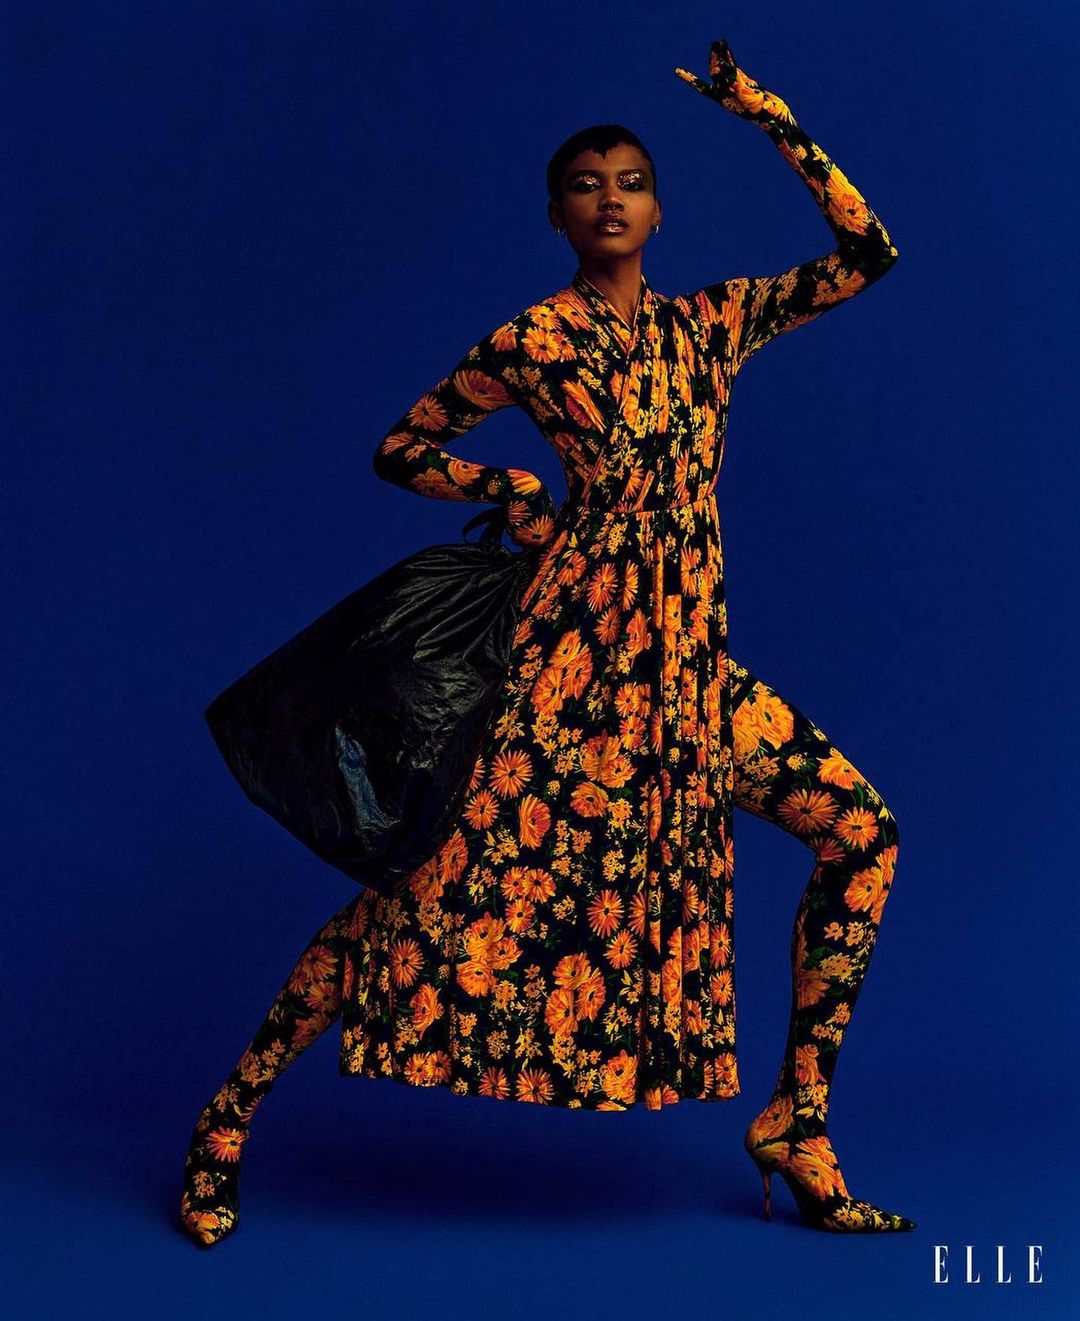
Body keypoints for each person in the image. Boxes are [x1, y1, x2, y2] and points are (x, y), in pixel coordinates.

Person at [181, 37, 914, 1245]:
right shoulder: (529, 342)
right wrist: (508, 486)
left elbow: (867, 254)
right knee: (415, 911)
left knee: (862, 833)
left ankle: (800, 1120)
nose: (610, 197)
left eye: (632, 181)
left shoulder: (713, 325)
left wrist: (771, 117)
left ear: (660, 211)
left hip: (685, 674)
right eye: (585, 183)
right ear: (557, 215)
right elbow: (402, 447)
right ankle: (226, 1120)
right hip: (568, 675)